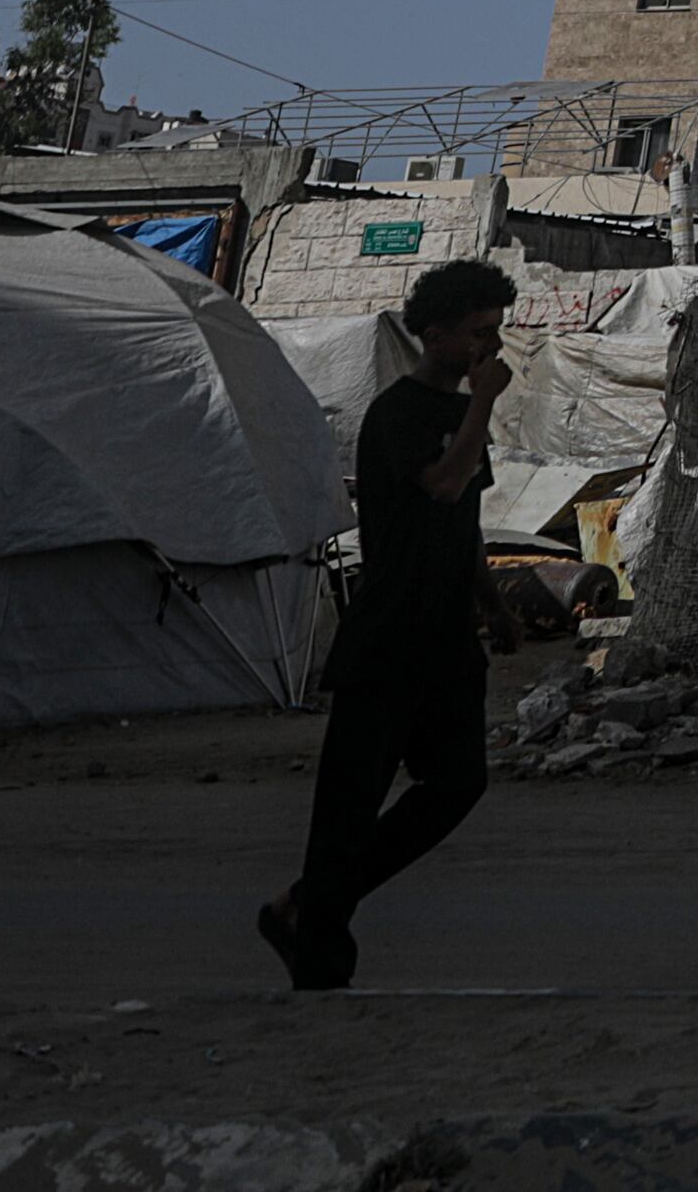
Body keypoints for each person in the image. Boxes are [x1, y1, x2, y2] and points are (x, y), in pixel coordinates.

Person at [259, 257, 519, 987]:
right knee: (347, 807)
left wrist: (492, 604)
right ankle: (317, 960)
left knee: (458, 783)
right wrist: (480, 407)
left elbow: (464, 513)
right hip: (387, 638)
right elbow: (440, 485)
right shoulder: (399, 414)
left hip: (444, 638)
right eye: (477, 333)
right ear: (435, 334)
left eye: (495, 332)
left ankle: (306, 904)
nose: (488, 348)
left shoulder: (456, 415)